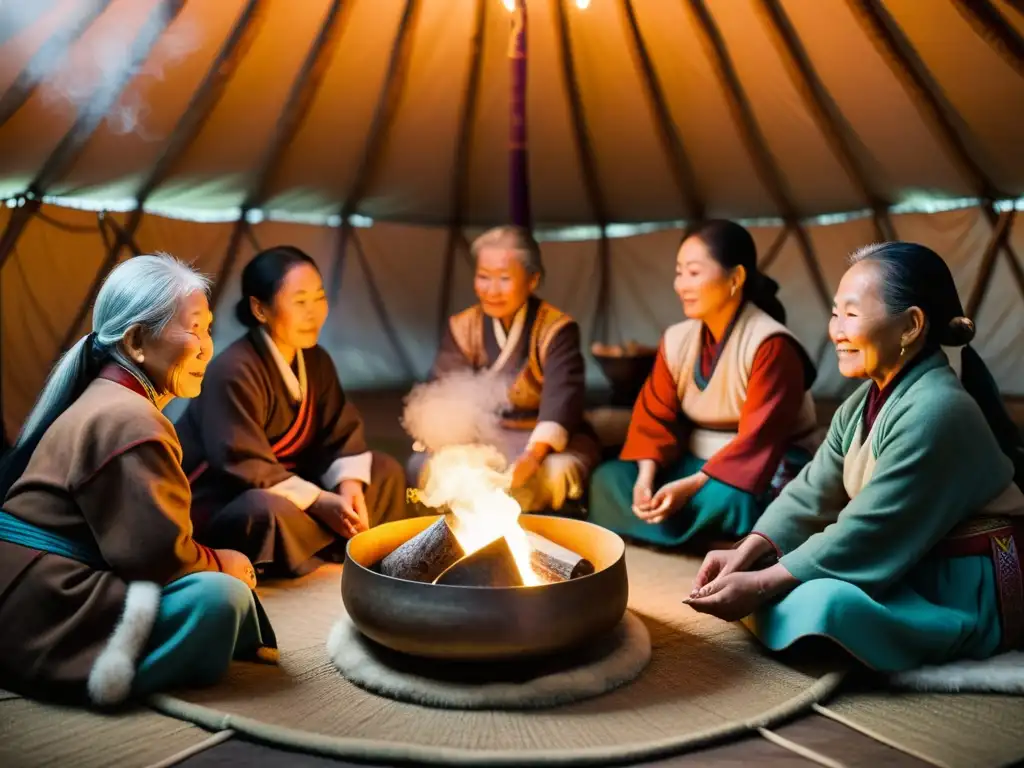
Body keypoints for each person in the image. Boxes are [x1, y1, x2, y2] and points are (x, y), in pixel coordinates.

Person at [686, 242, 1024, 672]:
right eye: (834, 313)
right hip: (905, 556)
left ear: (911, 325)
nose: (837, 331)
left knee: (824, 604)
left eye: (851, 313)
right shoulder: (864, 399)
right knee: (780, 578)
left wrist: (762, 582)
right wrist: (746, 552)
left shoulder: (939, 409)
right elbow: (812, 489)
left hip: (965, 582)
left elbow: (871, 527)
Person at [0, 254, 275, 707]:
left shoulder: (108, 398)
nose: (207, 346)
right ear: (137, 341)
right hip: (46, 607)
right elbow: (156, 559)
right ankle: (105, 672)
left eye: (208, 328)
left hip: (23, 593)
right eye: (193, 328)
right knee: (219, 599)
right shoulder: (131, 418)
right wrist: (222, 563)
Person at [176, 246, 411, 578]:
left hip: (297, 490)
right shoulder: (233, 370)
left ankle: (347, 546)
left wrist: (348, 486)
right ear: (260, 309)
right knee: (266, 511)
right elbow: (242, 463)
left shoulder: (315, 361)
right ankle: (321, 550)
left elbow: (339, 432)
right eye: (300, 302)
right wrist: (318, 501)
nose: (314, 313)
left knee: (384, 470)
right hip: (229, 500)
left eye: (319, 298)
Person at [587, 220, 819, 547]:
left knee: (735, 497)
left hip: (759, 465)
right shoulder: (678, 339)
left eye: (693, 273)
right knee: (607, 479)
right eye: (679, 272)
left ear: (735, 278)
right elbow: (653, 417)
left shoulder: (770, 344)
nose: (681, 285)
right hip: (695, 462)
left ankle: (723, 541)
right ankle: (695, 534)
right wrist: (645, 478)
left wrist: (694, 486)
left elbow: (759, 440)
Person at [411, 225, 601, 512]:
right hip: (484, 437)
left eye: (504, 278)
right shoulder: (463, 326)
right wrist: (447, 441)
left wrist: (532, 457)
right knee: (427, 465)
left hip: (542, 442)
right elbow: (444, 390)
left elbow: (562, 401)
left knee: (556, 473)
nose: (491, 290)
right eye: (483, 277)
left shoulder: (556, 329)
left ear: (532, 279)